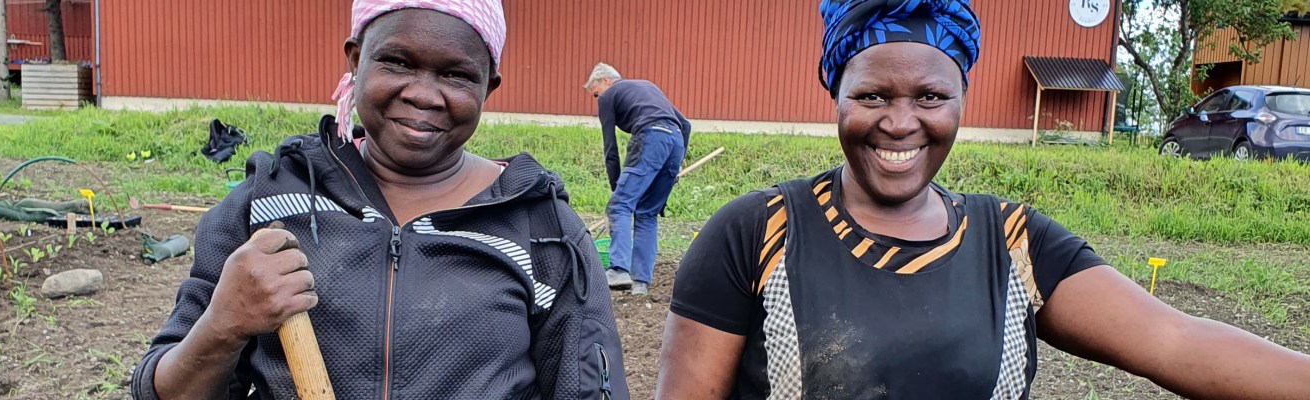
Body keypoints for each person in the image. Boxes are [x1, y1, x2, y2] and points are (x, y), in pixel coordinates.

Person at [656, 0, 1310, 399]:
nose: (900, 122)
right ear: (837, 96)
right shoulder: (756, 234)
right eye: (872, 95)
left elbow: (1175, 340)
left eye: (930, 96)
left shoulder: (1013, 243)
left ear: (960, 100)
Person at [130, 1, 630, 398]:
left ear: (488, 86)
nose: (423, 94)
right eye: (397, 62)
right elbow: (163, 390)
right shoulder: (268, 205)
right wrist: (222, 326)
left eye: (456, 75)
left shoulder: (542, 231)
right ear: (355, 59)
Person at [583, 63, 691, 296]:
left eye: (595, 93)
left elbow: (610, 148)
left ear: (605, 81)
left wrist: (616, 190)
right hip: (675, 143)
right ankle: (640, 283)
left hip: (650, 138)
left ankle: (619, 269)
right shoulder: (647, 87)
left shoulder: (609, 95)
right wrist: (676, 164)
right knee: (647, 213)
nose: (597, 99)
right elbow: (685, 125)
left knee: (620, 205)